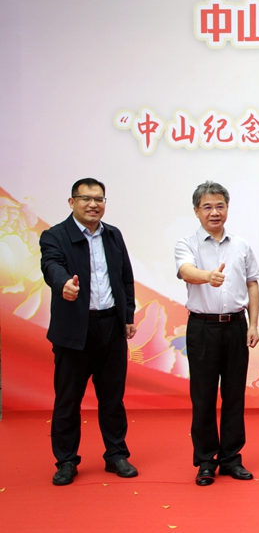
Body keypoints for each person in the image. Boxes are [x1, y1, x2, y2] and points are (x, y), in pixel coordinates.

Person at [40, 178, 139, 485]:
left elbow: (125, 278)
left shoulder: (113, 234)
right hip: (74, 329)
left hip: (111, 326)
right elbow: (51, 265)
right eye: (86, 198)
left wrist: (127, 315)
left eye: (99, 199)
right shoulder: (55, 235)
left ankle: (116, 454)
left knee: (112, 398)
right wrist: (63, 284)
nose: (93, 204)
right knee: (68, 399)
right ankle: (66, 461)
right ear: (72, 202)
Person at [175, 181, 259, 486]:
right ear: (196, 210)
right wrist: (206, 276)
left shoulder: (241, 245)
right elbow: (185, 271)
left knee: (234, 395)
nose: (214, 212)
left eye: (220, 206)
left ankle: (231, 458)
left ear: (227, 208)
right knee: (203, 397)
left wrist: (253, 324)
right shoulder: (187, 243)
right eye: (207, 207)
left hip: (236, 326)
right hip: (202, 328)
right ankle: (205, 461)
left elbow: (252, 283)